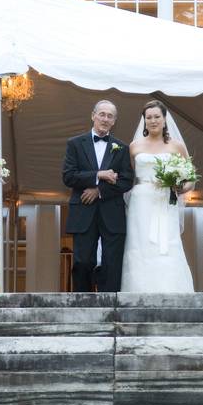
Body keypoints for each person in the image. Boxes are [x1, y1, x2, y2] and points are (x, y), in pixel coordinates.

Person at [120, 100, 195, 293]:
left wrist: (179, 188)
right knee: (140, 245)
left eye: (156, 117)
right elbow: (128, 177)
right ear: (144, 121)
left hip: (165, 200)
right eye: (149, 117)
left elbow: (191, 179)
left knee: (166, 244)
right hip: (141, 201)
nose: (153, 121)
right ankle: (137, 290)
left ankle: (171, 289)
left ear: (164, 119)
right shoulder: (134, 146)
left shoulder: (177, 146)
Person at [62, 100, 134, 292]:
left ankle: (109, 308)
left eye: (110, 116)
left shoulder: (122, 147)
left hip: (112, 213)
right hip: (83, 212)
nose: (105, 119)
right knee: (83, 261)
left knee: (112, 264)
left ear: (114, 121)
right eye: (102, 114)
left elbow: (127, 181)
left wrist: (99, 191)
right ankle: (82, 306)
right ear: (93, 115)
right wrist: (98, 175)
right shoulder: (75, 144)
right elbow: (68, 177)